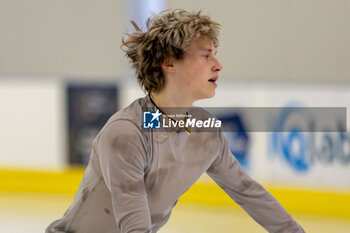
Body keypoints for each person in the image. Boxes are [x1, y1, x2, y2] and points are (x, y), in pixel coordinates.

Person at [46, 9, 305, 233]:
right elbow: (134, 224)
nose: (218, 65)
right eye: (206, 56)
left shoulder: (206, 131)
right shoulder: (126, 134)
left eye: (215, 54)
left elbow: (248, 191)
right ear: (169, 63)